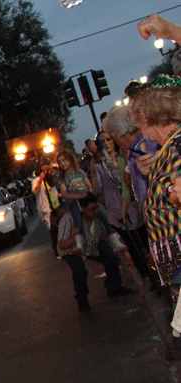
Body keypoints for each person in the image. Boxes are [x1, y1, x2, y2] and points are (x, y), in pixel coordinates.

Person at [129, 74, 181, 349]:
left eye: (138, 121)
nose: (139, 130)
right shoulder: (168, 148)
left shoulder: (178, 145)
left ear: (148, 118)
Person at [92, 128, 152, 282]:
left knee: (146, 239)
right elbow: (96, 189)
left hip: (133, 205)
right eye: (103, 141)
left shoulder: (123, 158)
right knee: (132, 245)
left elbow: (129, 183)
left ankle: (155, 269)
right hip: (115, 208)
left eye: (108, 139)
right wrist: (93, 171)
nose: (106, 143)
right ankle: (145, 275)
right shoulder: (100, 166)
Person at [56, 194, 133, 312]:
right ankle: (82, 300)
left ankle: (114, 287)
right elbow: (61, 245)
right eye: (91, 210)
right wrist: (73, 239)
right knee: (79, 270)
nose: (95, 212)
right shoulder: (68, 219)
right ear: (82, 209)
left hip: (91, 246)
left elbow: (106, 235)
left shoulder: (98, 218)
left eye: (97, 208)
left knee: (110, 255)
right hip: (71, 250)